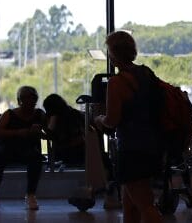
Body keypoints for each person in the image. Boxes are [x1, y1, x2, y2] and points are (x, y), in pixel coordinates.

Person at [94, 30, 162, 223]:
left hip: (132, 149)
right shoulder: (146, 73)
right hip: (152, 145)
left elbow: (112, 120)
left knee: (145, 205)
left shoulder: (116, 83)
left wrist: (99, 119)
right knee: (129, 204)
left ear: (114, 55)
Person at [0, 85, 45, 212]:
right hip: (7, 147)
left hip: (27, 149)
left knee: (36, 158)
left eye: (32, 101)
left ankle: (31, 194)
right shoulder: (9, 114)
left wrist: (39, 132)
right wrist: (19, 132)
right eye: (26, 101)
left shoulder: (39, 114)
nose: (30, 104)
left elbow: (49, 133)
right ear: (20, 101)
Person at [43, 93, 86, 167]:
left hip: (72, 156)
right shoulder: (73, 114)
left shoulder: (71, 116)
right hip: (75, 156)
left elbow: (76, 139)